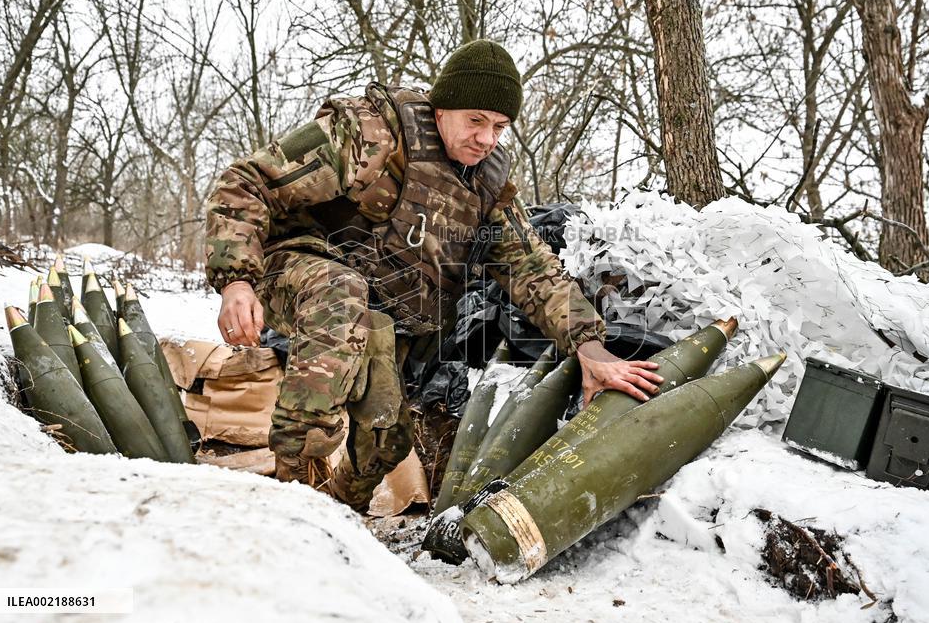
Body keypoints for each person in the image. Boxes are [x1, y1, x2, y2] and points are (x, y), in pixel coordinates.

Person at [204, 39, 663, 512]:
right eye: (476, 121)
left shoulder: (488, 185)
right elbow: (247, 182)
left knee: (387, 438)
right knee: (340, 293)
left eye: (500, 127)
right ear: (441, 109)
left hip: (375, 313)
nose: (487, 139)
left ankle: (340, 514)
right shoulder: (371, 134)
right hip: (298, 271)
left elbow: (533, 268)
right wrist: (236, 279)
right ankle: (291, 499)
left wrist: (590, 348)